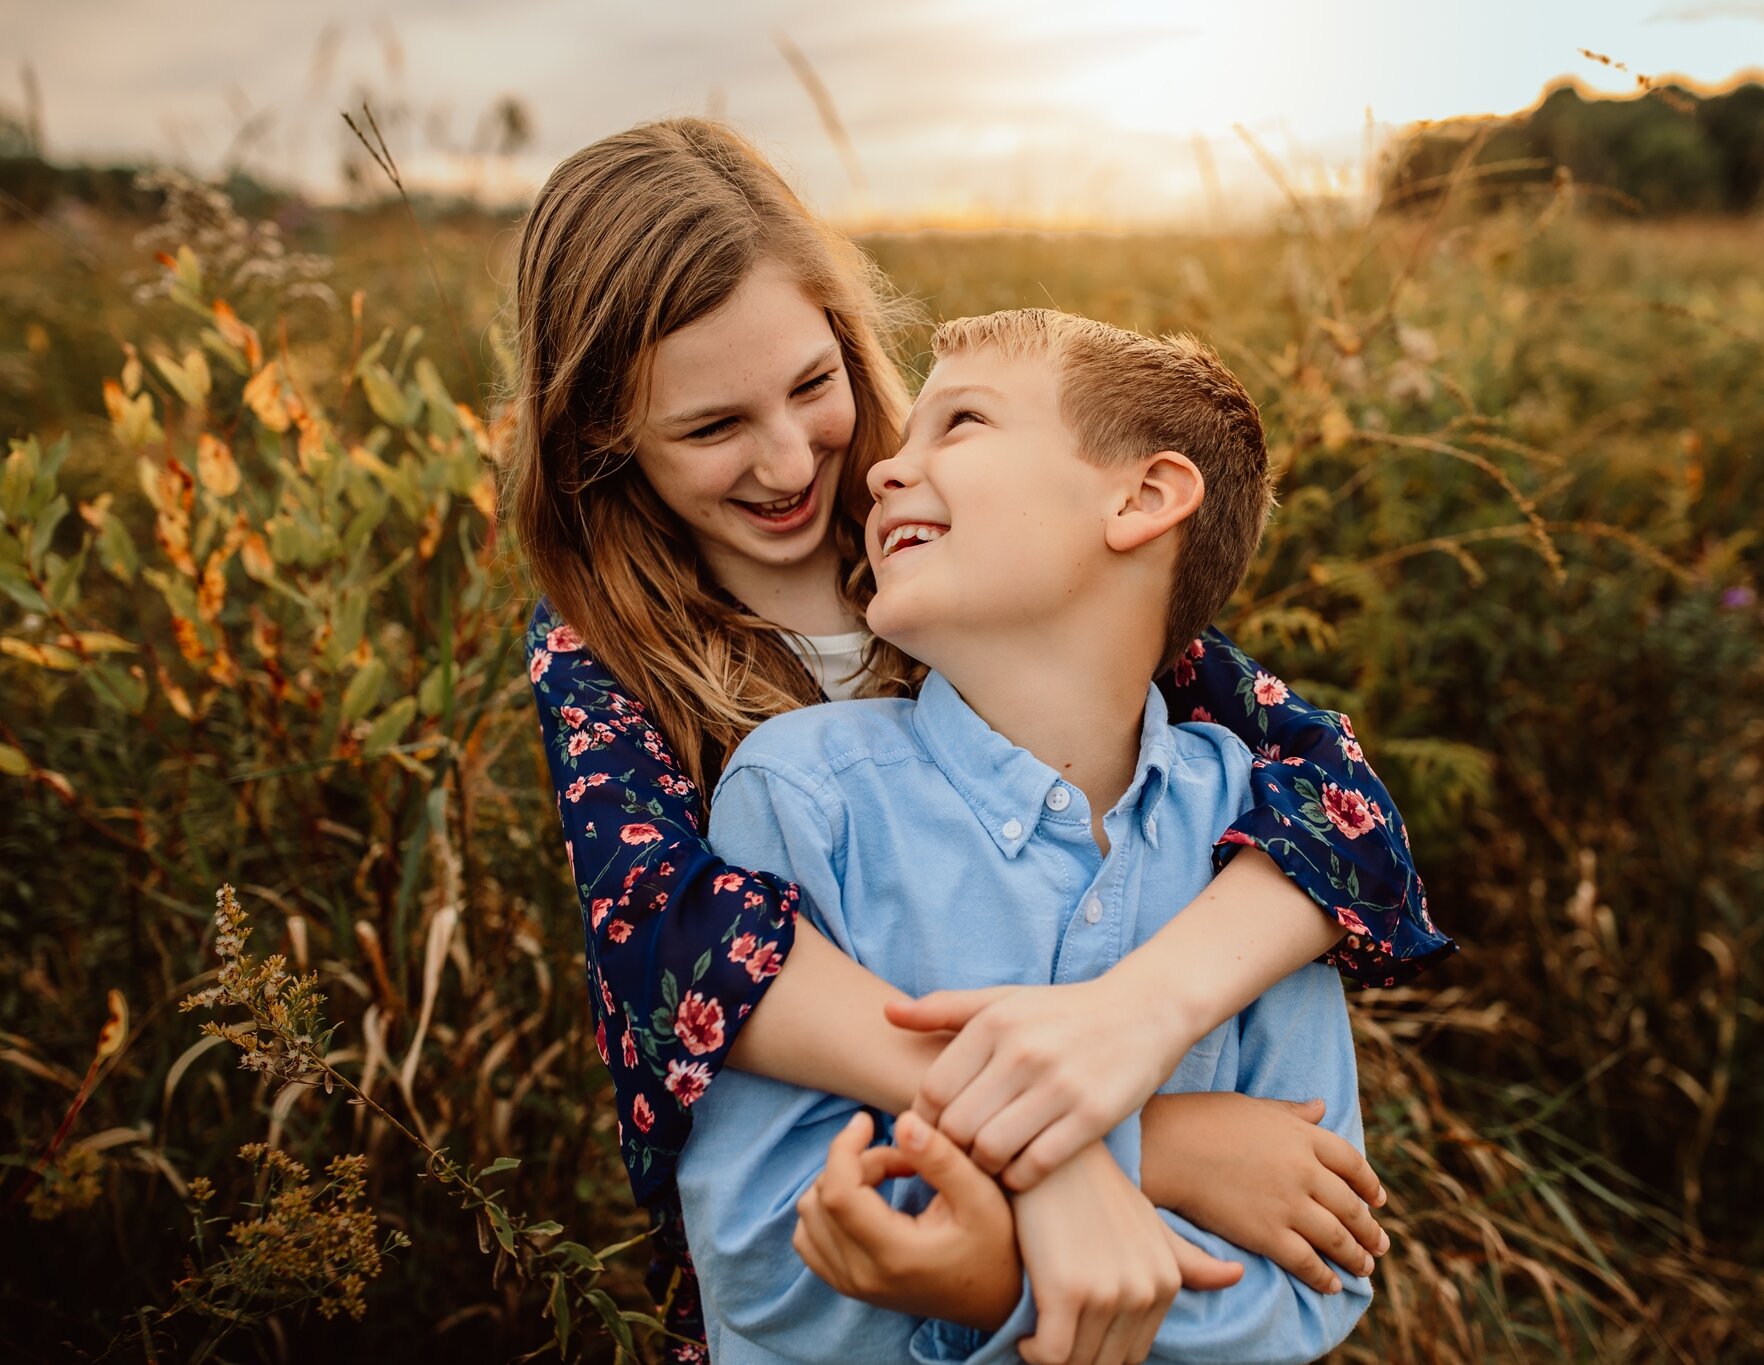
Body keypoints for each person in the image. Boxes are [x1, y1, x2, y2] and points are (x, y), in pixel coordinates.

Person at [508, 118, 1453, 1364]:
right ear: (599, 438)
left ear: (849, 343)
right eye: (709, 429)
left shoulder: (982, 565)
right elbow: (679, 945)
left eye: (811, 386)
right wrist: (1106, 1140)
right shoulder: (608, 654)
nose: (790, 460)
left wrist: (1134, 1023)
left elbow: (1340, 811)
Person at [682, 308, 1375, 1364]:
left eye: (957, 423)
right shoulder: (805, 795)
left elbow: (1314, 1281)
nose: (881, 472)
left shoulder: (1251, 832)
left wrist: (982, 1262)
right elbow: (760, 1256)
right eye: (901, 437)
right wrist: (1060, 1231)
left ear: (1141, 498)